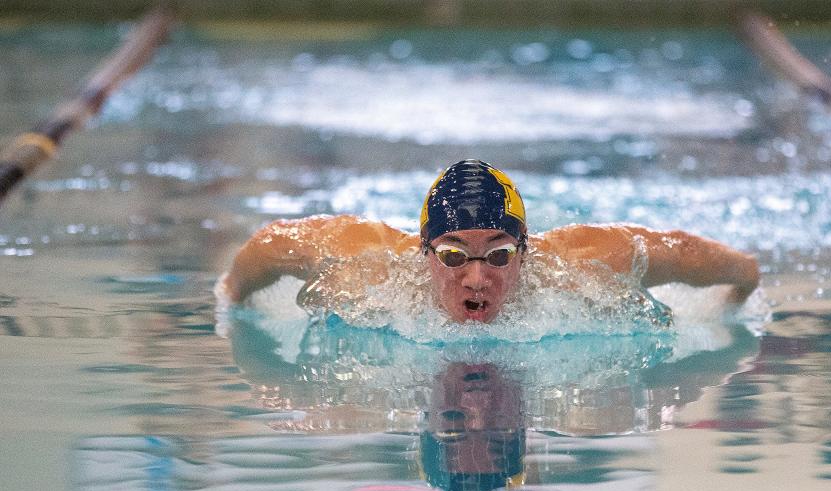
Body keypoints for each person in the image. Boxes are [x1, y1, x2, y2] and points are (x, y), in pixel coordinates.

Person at [221, 159, 759, 324]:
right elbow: (268, 247)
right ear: (422, 251)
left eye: (500, 255)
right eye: (453, 255)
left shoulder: (588, 263)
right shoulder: (365, 260)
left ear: (527, 251)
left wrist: (734, 299)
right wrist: (231, 299)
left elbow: (704, 258)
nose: (477, 278)